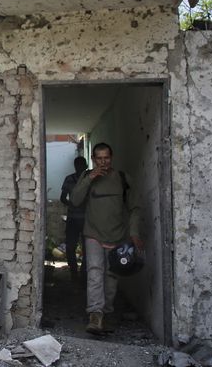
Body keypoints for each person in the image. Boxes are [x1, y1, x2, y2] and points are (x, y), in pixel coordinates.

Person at [70, 143, 142, 335]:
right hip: (93, 233)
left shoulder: (122, 178)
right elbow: (75, 200)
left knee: (111, 277)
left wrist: (134, 233)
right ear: (93, 159)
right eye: (99, 158)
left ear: (112, 157)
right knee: (94, 272)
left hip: (117, 235)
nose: (103, 162)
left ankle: (107, 313)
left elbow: (134, 208)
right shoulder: (87, 176)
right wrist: (89, 179)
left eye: (106, 158)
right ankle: (95, 314)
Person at [59, 156, 87, 280]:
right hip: (73, 218)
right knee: (70, 247)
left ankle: (84, 272)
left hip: (87, 219)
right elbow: (62, 197)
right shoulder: (69, 179)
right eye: (78, 165)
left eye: (82, 165)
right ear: (75, 166)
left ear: (86, 166)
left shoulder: (89, 179)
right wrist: (73, 204)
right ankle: (74, 273)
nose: (80, 167)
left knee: (88, 248)